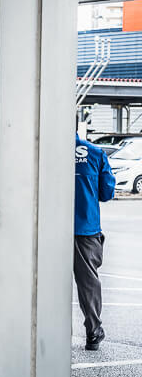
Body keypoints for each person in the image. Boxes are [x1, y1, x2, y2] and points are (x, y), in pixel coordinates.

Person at [74, 132, 115, 350]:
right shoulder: (95, 152)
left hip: (48, 229)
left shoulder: (44, 151)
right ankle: (93, 331)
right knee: (88, 283)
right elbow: (107, 192)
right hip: (85, 228)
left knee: (44, 282)